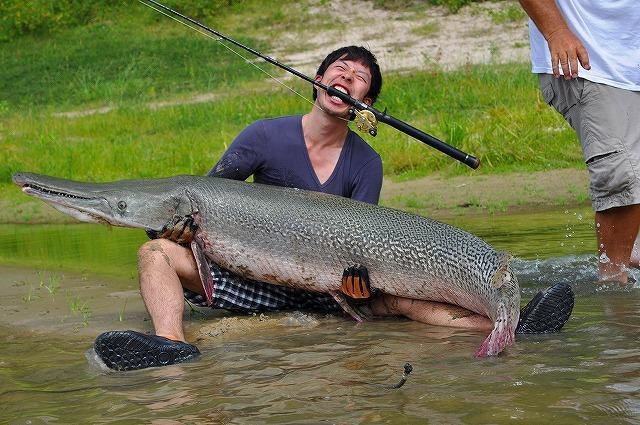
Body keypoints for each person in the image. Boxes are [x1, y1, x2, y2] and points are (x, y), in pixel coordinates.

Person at [93, 46, 573, 371]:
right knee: (155, 252)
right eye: (339, 70)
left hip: (328, 291)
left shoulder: (367, 162)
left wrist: (357, 284)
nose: (347, 78)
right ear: (319, 80)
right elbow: (208, 197)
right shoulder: (262, 135)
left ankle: (510, 325)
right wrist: (180, 231)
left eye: (360, 79)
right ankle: (174, 350)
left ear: (365, 105)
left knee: (408, 301)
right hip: (247, 278)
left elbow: (362, 243)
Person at [519, 1, 640, 284]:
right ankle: (613, 283)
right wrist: (556, 31)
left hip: (630, 54)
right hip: (586, 61)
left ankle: (630, 252)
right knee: (621, 174)